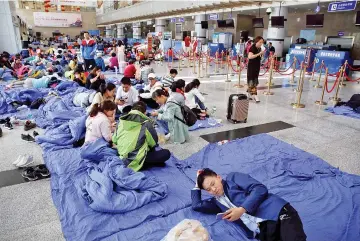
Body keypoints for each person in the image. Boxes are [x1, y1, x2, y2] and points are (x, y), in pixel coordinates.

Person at [192, 168, 307, 241]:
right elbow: (196, 205)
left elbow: (259, 189)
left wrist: (242, 209)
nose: (213, 189)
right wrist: (197, 185)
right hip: (263, 230)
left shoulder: (233, 178)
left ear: (218, 177)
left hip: (278, 213)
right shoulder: (216, 203)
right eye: (209, 189)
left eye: (213, 183)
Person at [112, 101, 171, 171]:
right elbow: (154, 142)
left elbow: (114, 140)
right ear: (145, 112)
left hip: (122, 157)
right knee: (166, 153)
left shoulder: (120, 122)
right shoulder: (146, 124)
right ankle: (144, 164)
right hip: (136, 160)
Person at [247, 36, 265, 103]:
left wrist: (261, 54)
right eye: (260, 42)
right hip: (252, 66)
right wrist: (259, 54)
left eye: (262, 42)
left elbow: (259, 57)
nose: (261, 43)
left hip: (257, 66)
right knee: (252, 80)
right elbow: (250, 57)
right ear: (256, 41)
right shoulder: (252, 48)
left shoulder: (259, 48)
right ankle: (255, 95)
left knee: (254, 79)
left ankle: (248, 94)